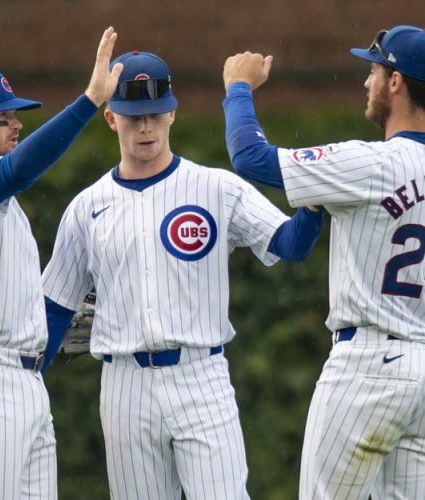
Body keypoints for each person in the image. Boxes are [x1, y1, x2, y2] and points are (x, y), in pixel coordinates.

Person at [41, 49, 324, 500]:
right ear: (111, 119)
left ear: (172, 112)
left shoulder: (216, 187)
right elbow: (55, 309)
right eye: (133, 117)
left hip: (201, 375)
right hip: (125, 384)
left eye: (154, 114)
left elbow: (290, 246)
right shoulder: (86, 207)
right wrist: (27, 374)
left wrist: (313, 204)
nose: (146, 126)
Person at [222, 24, 425, 500]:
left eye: (373, 71)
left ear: (395, 81)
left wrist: (237, 87)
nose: (365, 83)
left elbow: (249, 157)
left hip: (368, 366)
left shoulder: (372, 163)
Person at [0, 27, 123, 500]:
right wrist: (89, 100)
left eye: (15, 116)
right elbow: (20, 168)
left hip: (20, 382)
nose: (16, 125)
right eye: (2, 118)